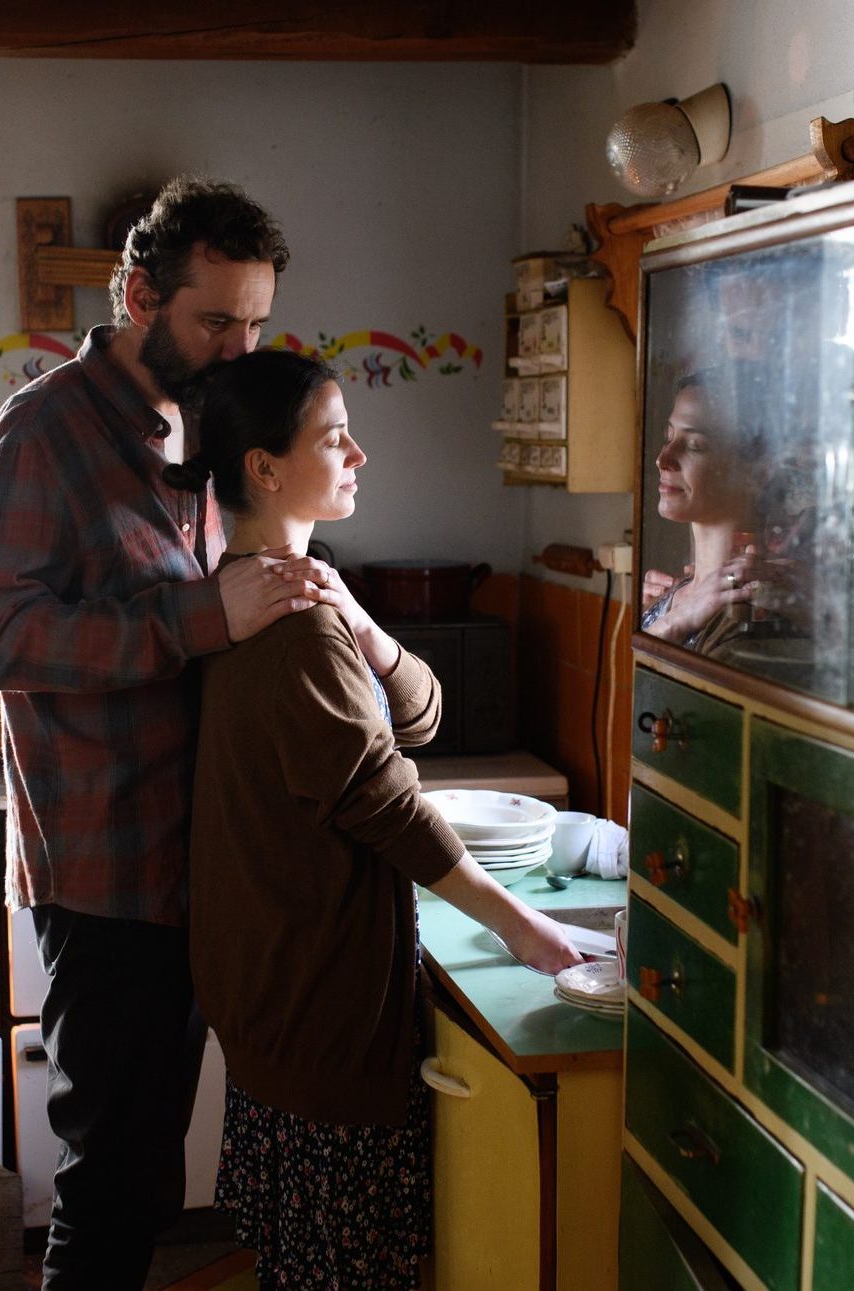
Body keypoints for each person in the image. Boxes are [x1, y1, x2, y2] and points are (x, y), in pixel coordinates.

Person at [0, 177, 342, 1291]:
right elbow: (0, 635)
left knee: (154, 1176)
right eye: (214, 319)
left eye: (256, 322)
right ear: (137, 294)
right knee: (112, 1181)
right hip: (106, 872)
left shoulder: (200, 431)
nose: (238, 347)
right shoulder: (40, 432)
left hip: (199, 865)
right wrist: (196, 620)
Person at [166, 349, 583, 1290]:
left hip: (274, 993)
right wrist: (523, 924)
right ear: (266, 468)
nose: (359, 453)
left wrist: (367, 625)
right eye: (333, 436)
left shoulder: (260, 597)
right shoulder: (291, 626)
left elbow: (425, 716)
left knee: (300, 1266)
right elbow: (387, 801)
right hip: (321, 1002)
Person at [640, 368, 811, 655]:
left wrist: (670, 626)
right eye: (668, 437)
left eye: (695, 446)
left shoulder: (751, 613)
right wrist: (666, 617)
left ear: (759, 471)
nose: (663, 459)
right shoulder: (670, 597)